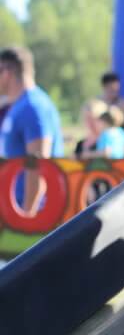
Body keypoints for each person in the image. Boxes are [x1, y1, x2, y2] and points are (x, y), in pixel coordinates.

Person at [0, 46, 64, 215]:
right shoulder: (19, 105)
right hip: (15, 210)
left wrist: (27, 217)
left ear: (6, 72)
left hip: (32, 214)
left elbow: (38, 166)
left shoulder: (34, 106)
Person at [100, 71, 124, 138]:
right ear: (104, 87)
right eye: (111, 90)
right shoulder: (97, 104)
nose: (114, 94)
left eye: (116, 91)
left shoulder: (123, 105)